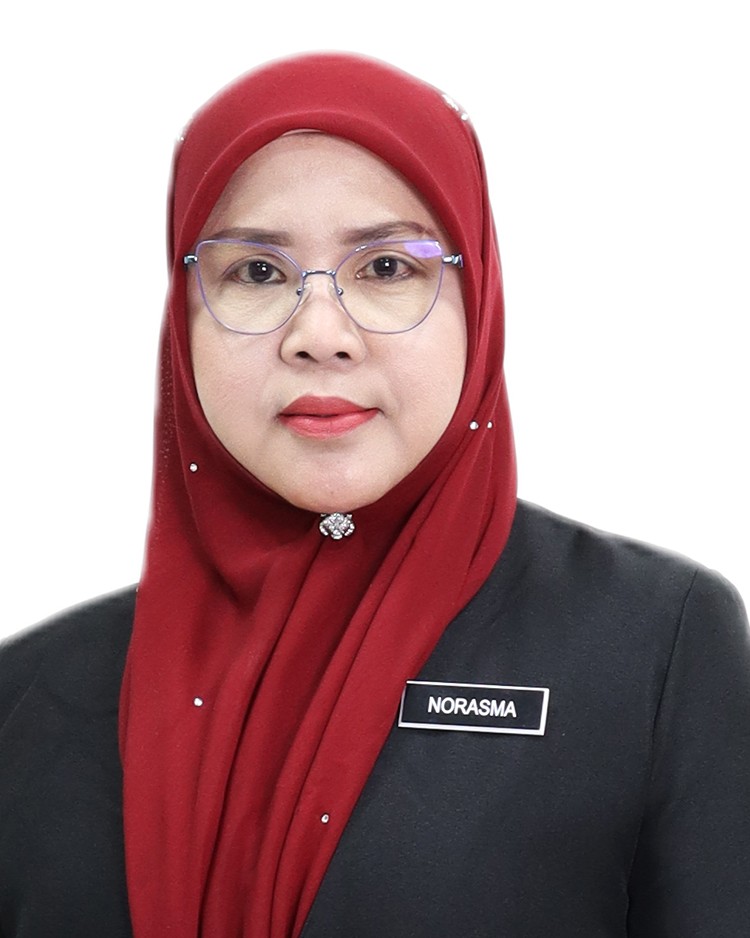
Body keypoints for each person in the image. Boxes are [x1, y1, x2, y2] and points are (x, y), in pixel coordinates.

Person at [0, 52, 748, 938]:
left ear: (479, 298)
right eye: (257, 273)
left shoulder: (656, 646)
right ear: (182, 316)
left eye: (388, 267)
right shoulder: (30, 695)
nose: (320, 335)